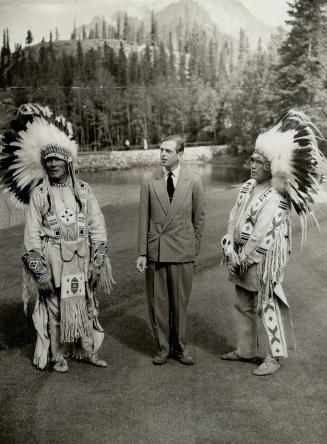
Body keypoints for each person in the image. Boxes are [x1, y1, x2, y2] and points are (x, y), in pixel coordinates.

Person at [0, 103, 114, 373]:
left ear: (68, 161)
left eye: (57, 159)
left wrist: (97, 263)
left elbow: (98, 227)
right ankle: (57, 355)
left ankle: (87, 351)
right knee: (54, 310)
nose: (52, 164)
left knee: (86, 305)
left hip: (82, 260)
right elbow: (32, 238)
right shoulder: (40, 195)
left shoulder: (84, 191)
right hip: (53, 262)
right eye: (48, 160)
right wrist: (40, 274)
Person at [220, 110, 327, 376]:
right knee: (242, 302)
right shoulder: (247, 187)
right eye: (251, 161)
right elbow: (234, 216)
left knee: (268, 303)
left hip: (263, 260)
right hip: (240, 256)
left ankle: (273, 356)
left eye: (258, 162)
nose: (252, 166)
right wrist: (229, 245)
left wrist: (240, 258)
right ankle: (245, 350)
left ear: (270, 167)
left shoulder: (277, 197)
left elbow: (261, 234)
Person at [136, 135, 205, 365]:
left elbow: (199, 220)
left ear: (180, 154)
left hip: (182, 251)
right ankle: (163, 348)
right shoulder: (149, 179)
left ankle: (180, 348)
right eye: (161, 150)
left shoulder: (194, 180)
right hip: (156, 250)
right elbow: (143, 218)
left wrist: (193, 250)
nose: (162, 154)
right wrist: (142, 253)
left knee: (179, 304)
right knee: (158, 304)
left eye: (168, 150)